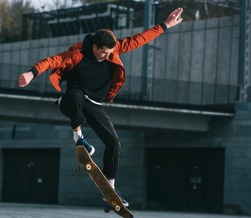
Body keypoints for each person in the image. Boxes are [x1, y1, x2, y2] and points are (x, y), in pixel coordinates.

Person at [18, 7, 184, 206]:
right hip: (72, 102)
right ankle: (78, 137)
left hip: (94, 105)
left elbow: (140, 39)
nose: (107, 56)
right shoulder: (77, 53)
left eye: (110, 53)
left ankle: (110, 189)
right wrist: (31, 73)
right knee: (77, 93)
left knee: (114, 143)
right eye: (104, 53)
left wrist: (166, 25)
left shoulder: (114, 49)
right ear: (95, 47)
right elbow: (51, 61)